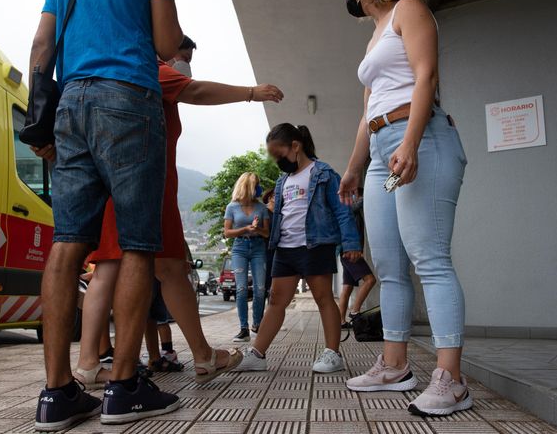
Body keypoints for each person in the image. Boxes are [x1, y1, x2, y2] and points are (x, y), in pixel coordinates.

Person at [70, 54, 284, 416]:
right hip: (146, 181)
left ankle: (92, 363)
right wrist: (252, 92)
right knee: (170, 269)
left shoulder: (108, 67)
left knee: (109, 267)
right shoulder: (149, 66)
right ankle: (187, 360)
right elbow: (195, 89)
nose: (184, 64)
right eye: (183, 57)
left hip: (112, 179)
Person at [28, 0, 185, 429]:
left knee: (68, 243)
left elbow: (40, 46)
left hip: (70, 103)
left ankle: (56, 396)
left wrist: (39, 120)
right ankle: (123, 387)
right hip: (128, 98)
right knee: (137, 245)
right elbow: (166, 44)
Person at [337, 0, 471, 417]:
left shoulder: (409, 9)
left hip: (421, 139)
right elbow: (366, 111)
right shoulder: (374, 38)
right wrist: (354, 167)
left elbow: (425, 76)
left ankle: (452, 379)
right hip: (380, 153)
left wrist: (410, 143)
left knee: (429, 259)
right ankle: (394, 366)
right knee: (390, 266)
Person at [237, 124, 363, 374]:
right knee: (275, 301)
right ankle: (257, 354)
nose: (277, 161)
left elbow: (342, 209)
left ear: (296, 146)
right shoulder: (283, 180)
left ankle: (332, 354)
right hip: (285, 248)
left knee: (324, 298)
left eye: (279, 154)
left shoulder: (323, 172)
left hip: (314, 245)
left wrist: (350, 243)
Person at [224, 173, 270, 342]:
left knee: (260, 289)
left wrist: (256, 229)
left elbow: (267, 233)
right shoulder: (232, 207)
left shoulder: (262, 208)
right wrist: (245, 229)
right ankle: (243, 328)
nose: (259, 188)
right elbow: (227, 232)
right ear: (248, 186)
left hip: (258, 247)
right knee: (241, 288)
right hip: (239, 248)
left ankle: (257, 324)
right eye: (257, 185)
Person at [337, 189, 377, 328]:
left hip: (347, 252)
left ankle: (340, 322)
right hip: (350, 253)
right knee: (370, 280)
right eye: (356, 196)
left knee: (347, 288)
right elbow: (360, 203)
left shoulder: (352, 211)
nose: (357, 199)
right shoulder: (348, 209)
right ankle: (355, 311)